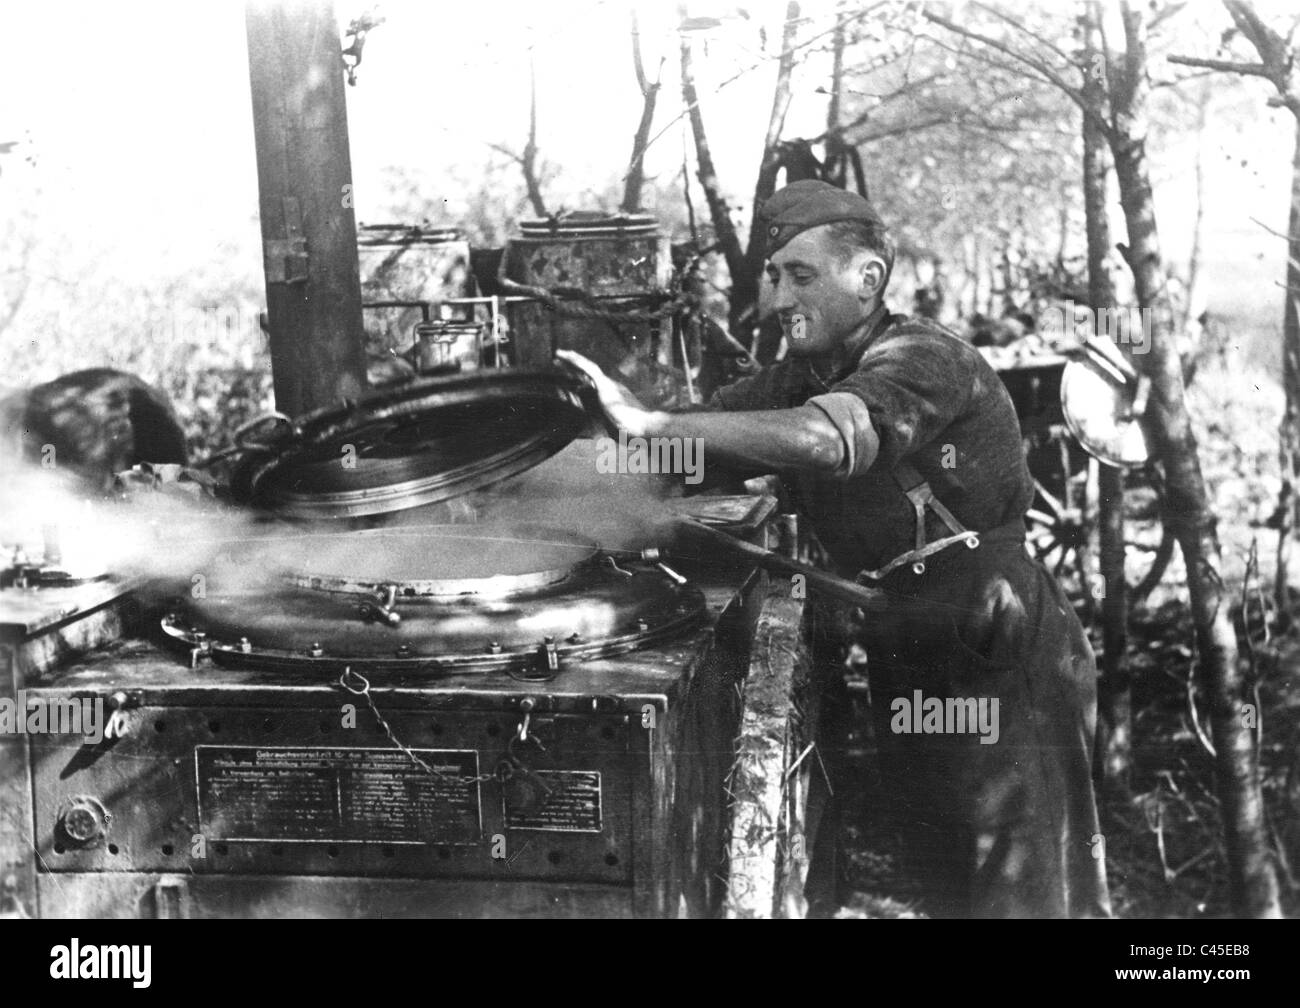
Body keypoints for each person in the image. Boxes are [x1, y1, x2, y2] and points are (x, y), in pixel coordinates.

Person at [559, 179, 1111, 918]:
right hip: (906, 641)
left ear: (868, 279)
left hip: (995, 643)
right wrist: (545, 476)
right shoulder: (798, 378)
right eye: (774, 276)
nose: (778, 297)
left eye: (801, 275)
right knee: (944, 872)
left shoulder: (921, 357)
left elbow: (827, 441)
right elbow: (683, 455)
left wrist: (652, 423)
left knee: (1020, 885)